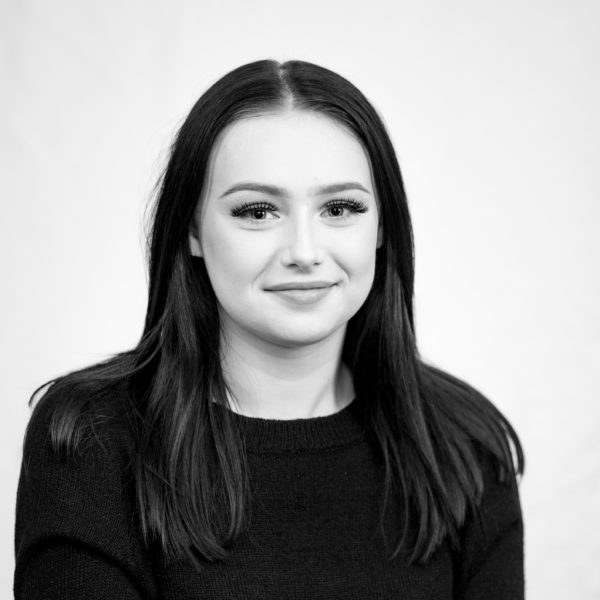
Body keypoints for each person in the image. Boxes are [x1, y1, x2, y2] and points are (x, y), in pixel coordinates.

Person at [14, 59, 524, 599]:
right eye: (258, 211)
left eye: (340, 207)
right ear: (192, 230)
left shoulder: (465, 446)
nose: (304, 251)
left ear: (382, 227)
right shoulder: (93, 441)